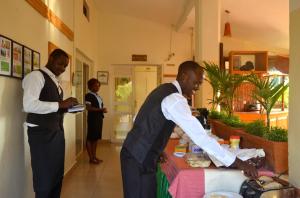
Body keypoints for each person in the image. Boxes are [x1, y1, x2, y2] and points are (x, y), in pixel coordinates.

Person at [120, 61, 258, 198]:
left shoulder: (163, 89)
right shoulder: (175, 99)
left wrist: (156, 147)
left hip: (137, 153)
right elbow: (201, 137)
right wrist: (238, 162)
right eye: (196, 83)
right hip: (138, 158)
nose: (197, 87)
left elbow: (138, 118)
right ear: (184, 76)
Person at [22, 49, 78, 198]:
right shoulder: (36, 76)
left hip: (56, 134)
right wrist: (60, 105)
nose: (63, 69)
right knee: (44, 181)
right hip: (41, 136)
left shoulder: (54, 80)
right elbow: (28, 105)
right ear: (51, 58)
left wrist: (67, 108)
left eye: (65, 66)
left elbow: (52, 107)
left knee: (56, 177)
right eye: (60, 64)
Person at [85, 78, 107, 164]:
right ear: (90, 86)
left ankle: (94, 157)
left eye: (98, 85)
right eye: (95, 85)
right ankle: (91, 158)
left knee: (95, 138)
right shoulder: (88, 95)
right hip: (92, 119)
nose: (97, 87)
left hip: (98, 119)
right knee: (90, 138)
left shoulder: (97, 95)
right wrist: (101, 109)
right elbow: (88, 108)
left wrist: (101, 110)